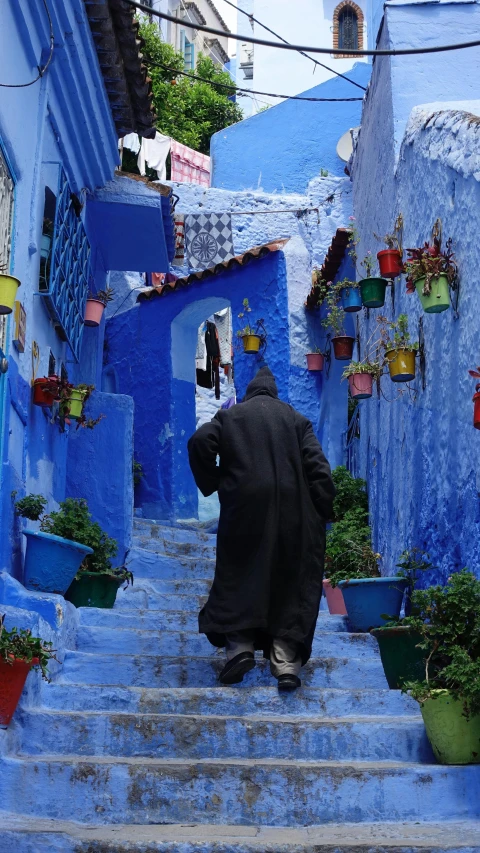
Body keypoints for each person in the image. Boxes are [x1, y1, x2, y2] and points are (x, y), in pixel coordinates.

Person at [187, 366, 335, 692]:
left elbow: (200, 440)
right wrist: (323, 510)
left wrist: (214, 482)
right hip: (294, 513)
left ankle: (238, 649)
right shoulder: (297, 421)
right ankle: (284, 664)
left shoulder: (231, 416)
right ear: (275, 394)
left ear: (251, 392)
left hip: (244, 509)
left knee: (239, 574)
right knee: (289, 580)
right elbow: (319, 469)